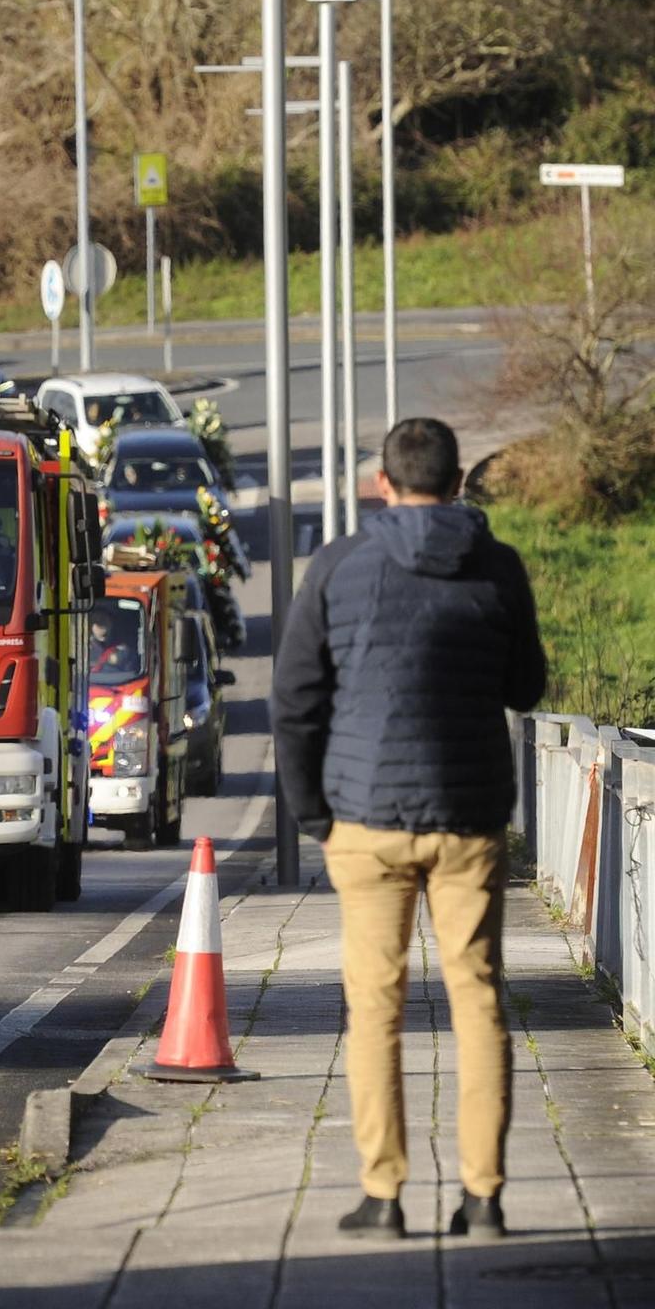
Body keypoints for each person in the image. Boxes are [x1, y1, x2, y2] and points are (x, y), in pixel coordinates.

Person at [271, 417, 547, 1242]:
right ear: (461, 482)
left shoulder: (338, 566)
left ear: (382, 485)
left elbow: (294, 702)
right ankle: (484, 1196)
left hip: (366, 819)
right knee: (477, 1001)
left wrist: (313, 813)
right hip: (469, 819)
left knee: (375, 1007)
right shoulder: (497, 567)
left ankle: (384, 1195)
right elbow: (527, 688)